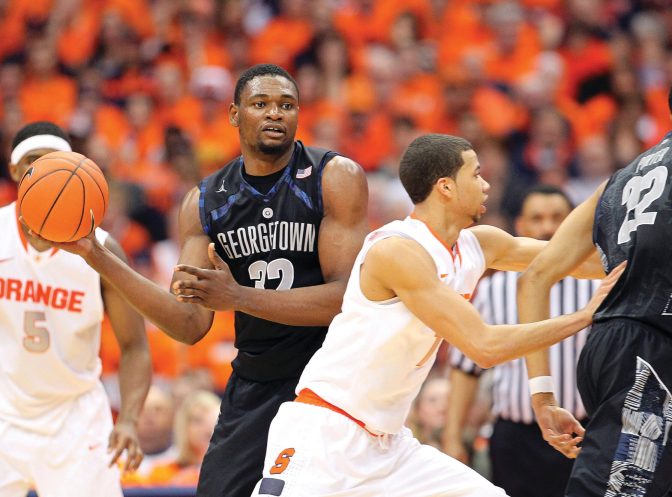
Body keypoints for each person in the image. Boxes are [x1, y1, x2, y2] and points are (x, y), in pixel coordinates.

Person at [37, 64, 370, 497]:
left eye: (286, 105)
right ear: (234, 115)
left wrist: (238, 297)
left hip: (330, 375)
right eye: (261, 104)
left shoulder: (333, 176)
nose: (275, 113)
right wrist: (96, 256)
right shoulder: (206, 202)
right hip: (256, 380)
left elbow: (345, 299)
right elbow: (188, 324)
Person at [248, 133, 623, 497]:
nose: (486, 185)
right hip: (327, 433)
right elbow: (484, 347)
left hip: (389, 445)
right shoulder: (397, 251)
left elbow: (575, 261)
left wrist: (637, 248)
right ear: (446, 187)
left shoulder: (480, 245)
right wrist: (583, 316)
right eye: (475, 174)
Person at [0, 121, 152, 497]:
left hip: (75, 417)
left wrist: (128, 419)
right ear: (14, 171)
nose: (44, 170)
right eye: (33, 161)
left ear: (73, 169)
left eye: (54, 161)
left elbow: (135, 346)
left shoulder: (101, 250)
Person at [519, 90, 672, 496]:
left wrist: (542, 396)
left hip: (612, 345)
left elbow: (536, 276)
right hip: (647, 356)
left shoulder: (617, 181)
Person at [443, 185, 600, 497]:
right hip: (515, 437)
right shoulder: (493, 289)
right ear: (521, 226)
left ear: (573, 223)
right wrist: (452, 436)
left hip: (584, 431)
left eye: (557, 217)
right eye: (537, 218)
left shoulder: (597, 285)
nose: (547, 227)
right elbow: (466, 368)